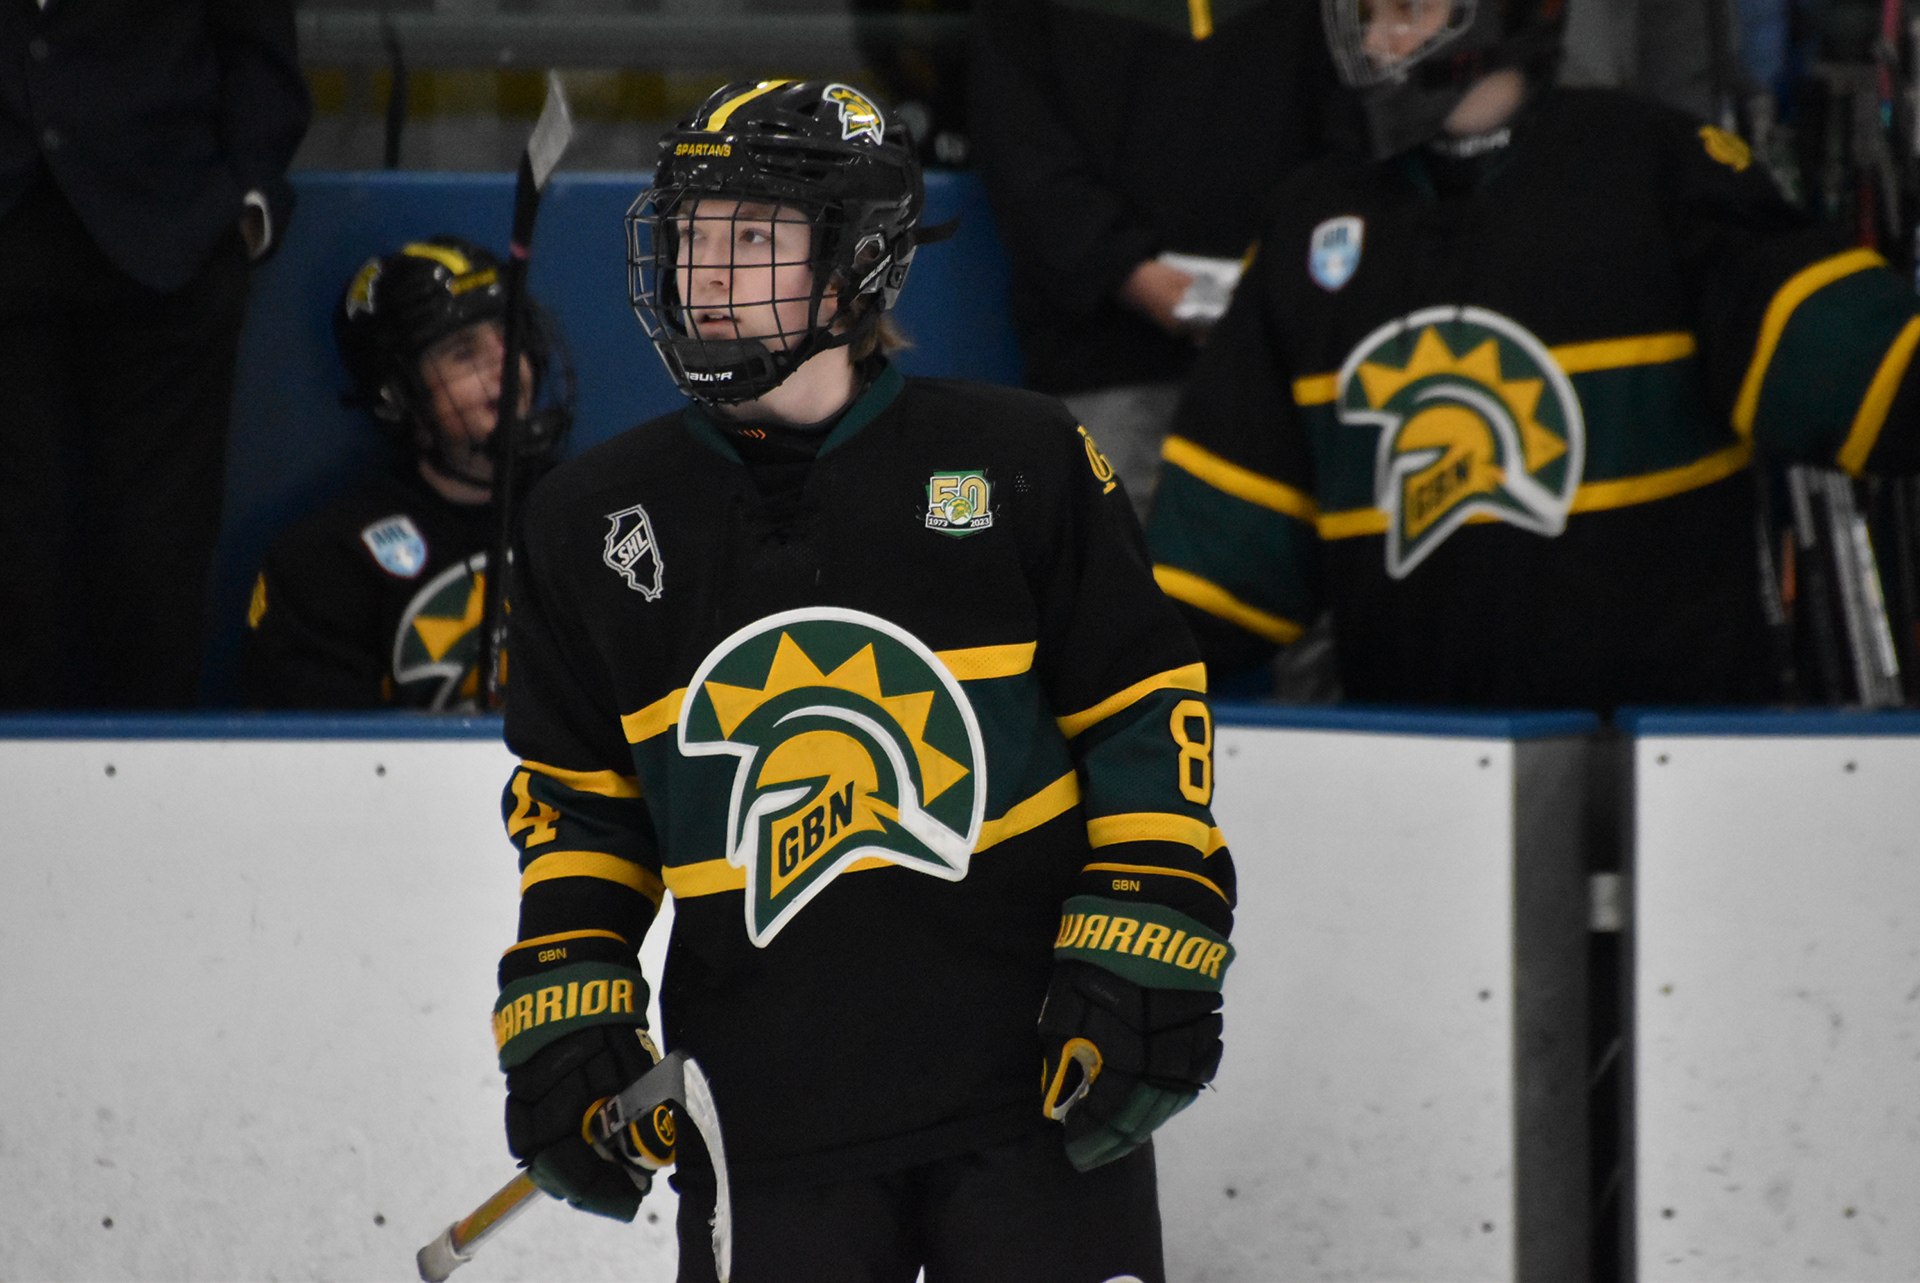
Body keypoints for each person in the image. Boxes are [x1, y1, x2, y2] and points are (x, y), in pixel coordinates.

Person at [490, 80, 1235, 1282]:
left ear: (855, 265)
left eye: (753, 234)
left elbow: (1144, 711)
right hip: (767, 1126)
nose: (708, 271)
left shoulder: (1020, 459)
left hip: (1032, 1097)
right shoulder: (589, 522)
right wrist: (568, 995)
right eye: (691, 233)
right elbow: (579, 807)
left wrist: (1152, 919)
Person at [1143, 0, 1920, 710]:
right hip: (1416, 768)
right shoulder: (1310, 221)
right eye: (1368, 14)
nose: (1378, 41)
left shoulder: (1652, 167)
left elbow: (1863, 372)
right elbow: (1216, 559)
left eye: (1408, 11)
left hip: (1663, 763)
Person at [0, 1, 309, 708]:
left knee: (155, 557)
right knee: (10, 549)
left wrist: (248, 198)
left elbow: (261, 50)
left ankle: (149, 763)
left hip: (170, 229)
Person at [969, 0, 1335, 521]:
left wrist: (1284, 282)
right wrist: (1127, 271)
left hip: (1291, 355)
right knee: (1112, 558)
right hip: (1108, 362)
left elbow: (1346, 134)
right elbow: (1019, 147)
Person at [241, 237, 571, 710]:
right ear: (397, 394)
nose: (506, 364)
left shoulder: (591, 516)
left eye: (509, 333)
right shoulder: (326, 564)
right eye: (463, 352)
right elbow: (314, 748)